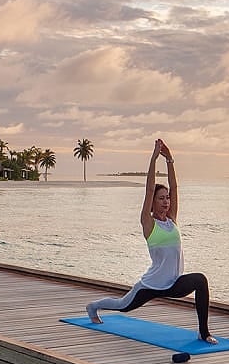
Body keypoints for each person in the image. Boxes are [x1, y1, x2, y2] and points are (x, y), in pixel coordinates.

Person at [87, 139, 218, 344]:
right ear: (153, 202)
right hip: (152, 284)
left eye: (167, 198)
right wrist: (154, 158)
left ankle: (203, 332)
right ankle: (93, 306)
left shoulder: (172, 219)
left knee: (200, 280)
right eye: (161, 198)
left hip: (174, 283)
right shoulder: (148, 224)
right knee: (123, 305)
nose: (166, 201)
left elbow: (175, 187)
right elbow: (149, 189)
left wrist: (170, 159)